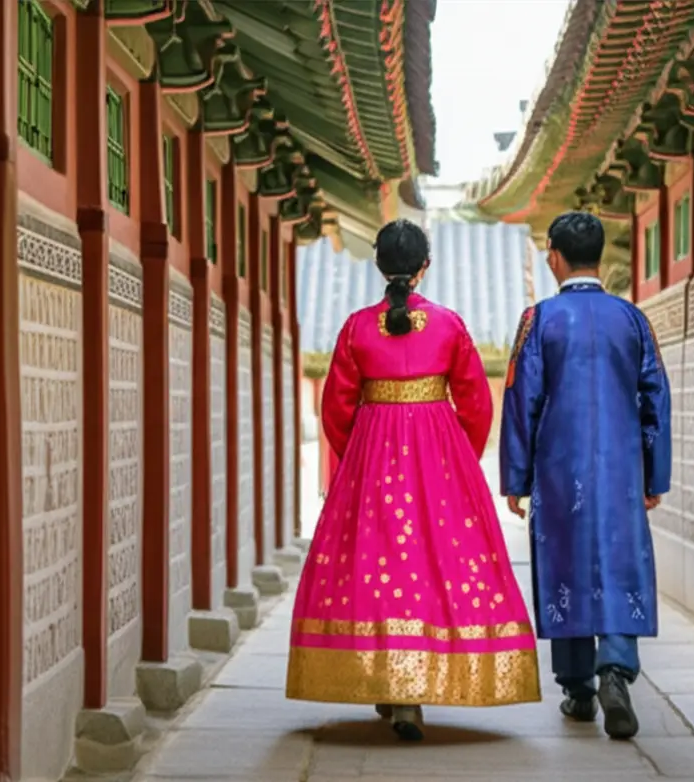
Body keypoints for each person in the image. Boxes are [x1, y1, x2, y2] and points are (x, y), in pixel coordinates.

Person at [286, 219, 541, 740]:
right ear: (425, 268)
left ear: (380, 265)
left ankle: (389, 685)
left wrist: (358, 453)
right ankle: (411, 692)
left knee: (376, 567)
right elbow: (474, 401)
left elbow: (335, 407)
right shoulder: (448, 325)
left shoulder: (357, 327)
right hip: (438, 459)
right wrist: (456, 460)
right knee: (428, 567)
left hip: (372, 458)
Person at [499, 211, 671, 740]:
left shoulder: (540, 320)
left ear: (554, 255)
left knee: (566, 563)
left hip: (559, 469)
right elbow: (656, 399)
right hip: (621, 468)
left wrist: (517, 477)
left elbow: (521, 399)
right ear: (600, 256)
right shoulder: (633, 319)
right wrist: (654, 476)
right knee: (620, 559)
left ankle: (577, 688)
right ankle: (616, 669)